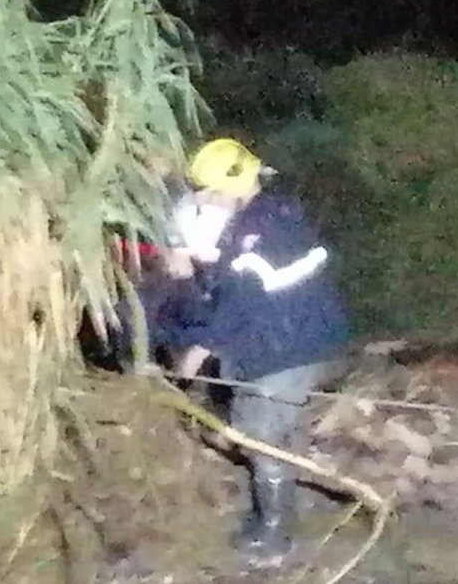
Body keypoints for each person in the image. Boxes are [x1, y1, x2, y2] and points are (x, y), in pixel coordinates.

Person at [149, 136, 353, 569]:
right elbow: (222, 300)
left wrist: (195, 353)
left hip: (287, 348)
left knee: (258, 436)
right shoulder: (264, 216)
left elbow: (235, 310)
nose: (204, 199)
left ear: (231, 186)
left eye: (208, 190)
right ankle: (281, 508)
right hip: (300, 339)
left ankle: (275, 537)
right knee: (278, 430)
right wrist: (190, 277)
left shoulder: (257, 234)